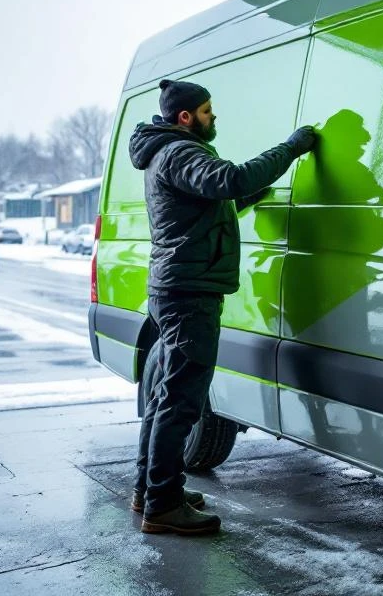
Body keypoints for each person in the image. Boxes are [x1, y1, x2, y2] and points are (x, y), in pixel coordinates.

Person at [128, 78, 316, 535]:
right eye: (208, 110)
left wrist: (254, 194)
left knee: (166, 397)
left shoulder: (167, 152)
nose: (215, 117)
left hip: (177, 286)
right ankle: (163, 506)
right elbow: (230, 179)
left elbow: (213, 199)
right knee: (181, 399)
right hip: (188, 292)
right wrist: (291, 148)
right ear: (186, 116)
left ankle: (151, 490)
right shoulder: (180, 151)